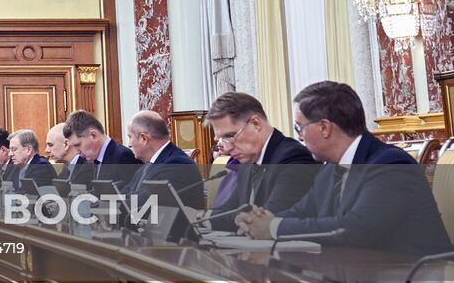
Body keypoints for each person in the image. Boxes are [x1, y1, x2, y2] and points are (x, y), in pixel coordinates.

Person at [236, 81, 451, 255]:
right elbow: (300, 211)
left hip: (418, 281)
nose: (299, 137)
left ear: (324, 127)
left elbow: (356, 229)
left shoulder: (390, 164)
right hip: (360, 277)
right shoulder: (330, 169)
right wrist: (257, 221)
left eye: (299, 127)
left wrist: (273, 227)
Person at [204, 92, 316, 232]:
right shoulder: (248, 159)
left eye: (230, 136)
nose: (226, 148)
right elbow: (230, 208)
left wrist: (211, 218)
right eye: (221, 140)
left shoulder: (293, 157)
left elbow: (267, 219)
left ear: (255, 123)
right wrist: (200, 216)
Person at [122, 111, 205, 209]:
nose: (129, 144)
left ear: (144, 138)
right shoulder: (148, 164)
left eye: (130, 137)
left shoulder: (177, 165)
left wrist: (111, 208)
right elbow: (126, 193)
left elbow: (143, 205)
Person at [64, 110, 139, 185]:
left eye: (78, 145)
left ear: (94, 135)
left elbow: (133, 191)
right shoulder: (95, 159)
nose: (77, 151)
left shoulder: (123, 156)